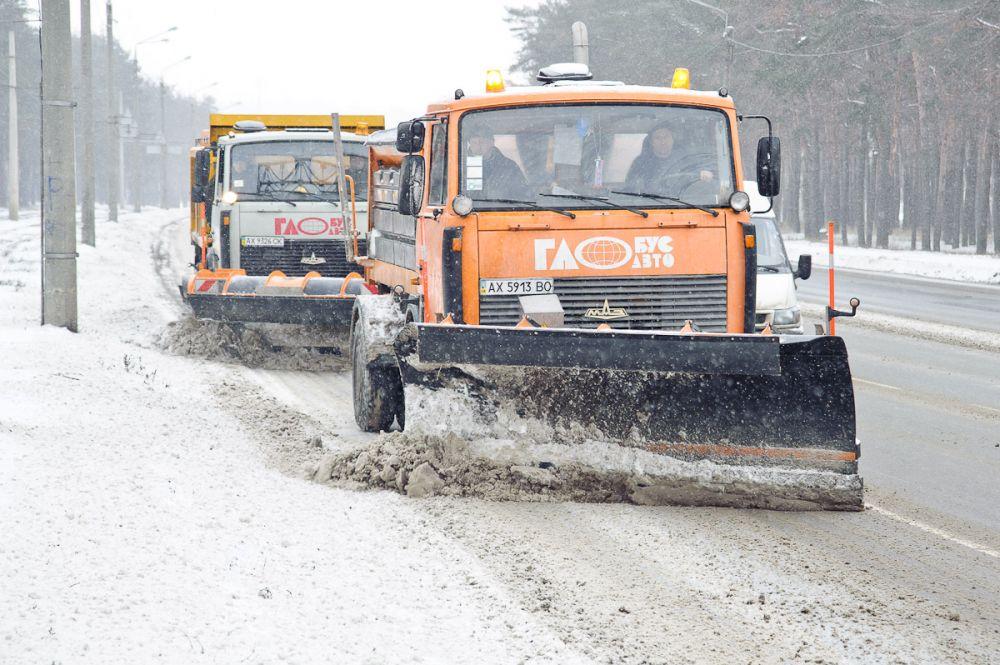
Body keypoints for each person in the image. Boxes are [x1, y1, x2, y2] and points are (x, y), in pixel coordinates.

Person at [625, 123, 713, 195]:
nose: (663, 142)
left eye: (666, 137)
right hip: (648, 204)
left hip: (684, 202)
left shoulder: (686, 159)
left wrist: (704, 173)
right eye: (658, 138)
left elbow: (706, 173)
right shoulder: (641, 163)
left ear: (672, 139)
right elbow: (630, 187)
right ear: (651, 142)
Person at [465, 128, 530, 199]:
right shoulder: (461, 167)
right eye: (474, 143)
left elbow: (524, 196)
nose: (478, 147)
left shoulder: (509, 166)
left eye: (482, 142)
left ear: (491, 143)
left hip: (502, 208)